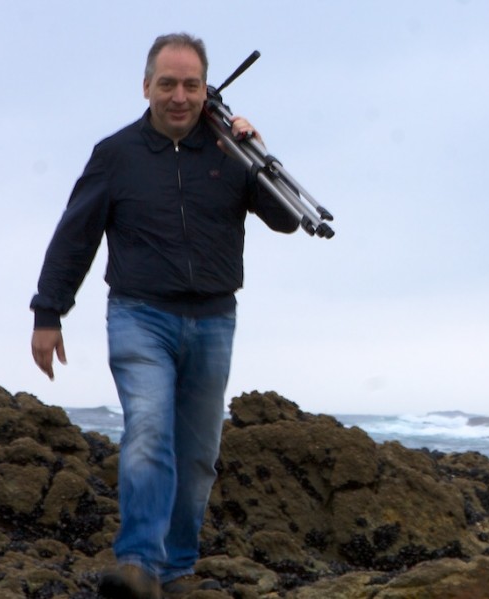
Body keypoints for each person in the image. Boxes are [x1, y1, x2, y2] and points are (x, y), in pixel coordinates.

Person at [30, 33, 299, 599]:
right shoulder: (116, 154)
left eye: (191, 85)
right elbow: (74, 236)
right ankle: (138, 565)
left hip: (214, 319)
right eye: (168, 84)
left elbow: (286, 219)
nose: (180, 96)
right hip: (139, 316)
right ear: (146, 86)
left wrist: (259, 153)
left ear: (207, 89)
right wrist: (48, 312)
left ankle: (173, 571)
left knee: (198, 454)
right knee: (149, 432)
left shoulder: (231, 153)